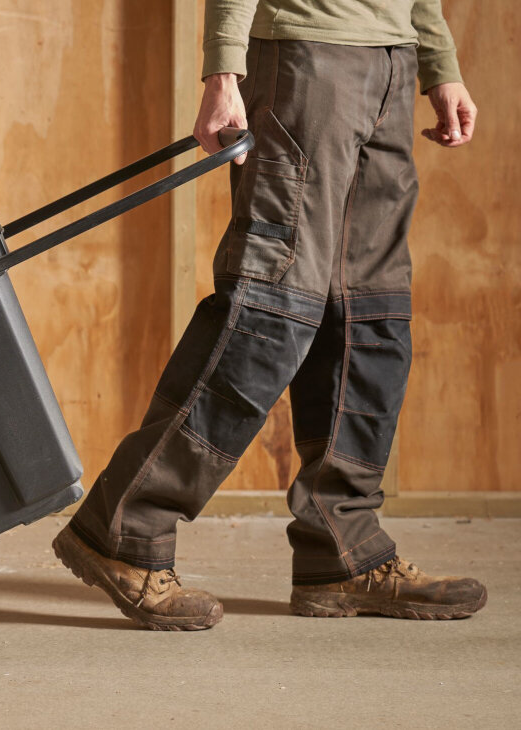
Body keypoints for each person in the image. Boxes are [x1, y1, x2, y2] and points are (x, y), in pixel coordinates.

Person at [53, 0, 487, 630]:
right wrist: (223, 72)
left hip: (391, 61)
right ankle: (124, 529)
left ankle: (342, 548)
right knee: (272, 306)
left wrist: (436, 61)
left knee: (368, 316)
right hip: (307, 56)